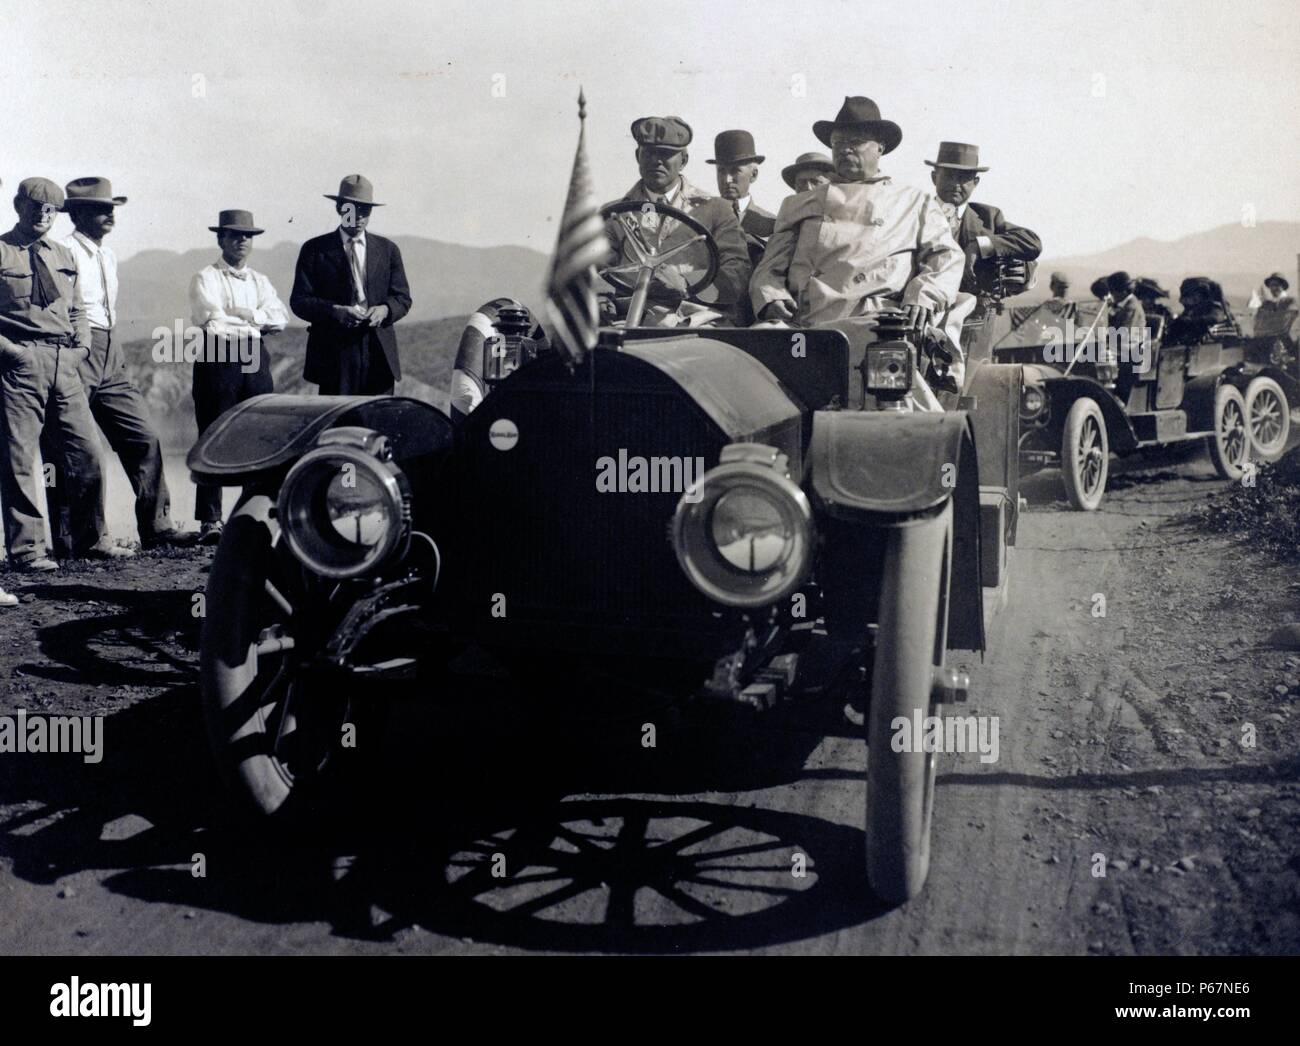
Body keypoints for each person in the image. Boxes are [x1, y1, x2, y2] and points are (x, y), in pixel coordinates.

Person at [750, 96, 963, 403]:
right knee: (749, 368)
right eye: (838, 143)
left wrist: (924, 293)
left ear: (881, 147)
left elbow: (947, 257)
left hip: (875, 325)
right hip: (804, 325)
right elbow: (770, 268)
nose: (845, 150)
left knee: (898, 406)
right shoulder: (799, 204)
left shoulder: (913, 202)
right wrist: (771, 297)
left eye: (856, 142)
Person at [42, 177, 191, 559]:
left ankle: (157, 528)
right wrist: (74, 348)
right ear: (77, 213)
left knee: (143, 438)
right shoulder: (63, 251)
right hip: (77, 347)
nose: (110, 214)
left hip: (112, 350)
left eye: (112, 208)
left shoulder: (107, 256)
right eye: (100, 208)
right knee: (73, 450)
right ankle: (79, 542)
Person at [0, 178, 102, 572]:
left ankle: (92, 541)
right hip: (20, 364)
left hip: (65, 362)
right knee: (20, 458)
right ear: (17, 205)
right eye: (35, 207)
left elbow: (78, 309)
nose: (43, 215)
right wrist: (13, 353)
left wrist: (82, 349)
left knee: (87, 452)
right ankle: (28, 551)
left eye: (51, 210)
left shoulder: (63, 254)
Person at [188, 209, 288, 544]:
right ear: (221, 239)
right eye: (234, 235)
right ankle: (210, 521)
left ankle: (253, 515)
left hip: (255, 359)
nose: (241, 241)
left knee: (259, 432)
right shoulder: (205, 277)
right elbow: (213, 322)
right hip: (218, 357)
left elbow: (280, 318)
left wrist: (248, 315)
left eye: (247, 236)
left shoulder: (260, 281)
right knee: (214, 432)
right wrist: (257, 320)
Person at [602, 116, 750, 325]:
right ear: (638, 156)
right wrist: (601, 298)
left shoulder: (717, 210)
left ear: (684, 160)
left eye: (666, 154)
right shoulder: (613, 215)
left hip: (696, 317)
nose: (657, 161)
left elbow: (736, 273)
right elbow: (593, 269)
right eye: (649, 153)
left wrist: (687, 283)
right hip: (626, 316)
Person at [290, 175, 413, 395]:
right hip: (335, 355)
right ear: (339, 208)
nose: (357, 216)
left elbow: (402, 298)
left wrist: (385, 309)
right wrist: (334, 311)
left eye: (364, 210)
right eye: (351, 209)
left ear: (371, 213)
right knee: (340, 424)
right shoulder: (314, 250)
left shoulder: (388, 250)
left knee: (376, 422)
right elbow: (299, 301)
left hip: (378, 352)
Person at [926, 141, 1041, 362]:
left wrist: (981, 245)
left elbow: (1032, 242)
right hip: (923, 320)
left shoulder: (988, 217)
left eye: (964, 178)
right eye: (949, 176)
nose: (956, 184)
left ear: (975, 183)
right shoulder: (916, 212)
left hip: (973, 327)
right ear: (934, 177)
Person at [1106, 271, 1146, 403]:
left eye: (1112, 291)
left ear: (1122, 291)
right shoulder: (1124, 306)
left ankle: (1120, 401)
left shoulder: (1131, 307)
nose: (1111, 295)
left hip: (1132, 352)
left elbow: (1123, 334)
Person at [1166, 277, 1233, 345]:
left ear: (1199, 295)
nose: (1182, 300)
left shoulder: (1214, 307)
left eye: (1188, 295)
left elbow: (1215, 318)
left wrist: (1190, 320)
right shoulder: (1194, 309)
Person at [1250, 271, 1295, 339]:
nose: (1273, 288)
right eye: (1271, 286)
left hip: (1282, 340)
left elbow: (1286, 322)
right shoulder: (1266, 304)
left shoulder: (1290, 302)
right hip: (1265, 339)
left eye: (1276, 285)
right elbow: (1258, 323)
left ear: (1283, 286)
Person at [1133, 277, 1173, 342]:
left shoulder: (1163, 311)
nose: (1147, 300)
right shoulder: (1137, 310)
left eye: (1150, 297)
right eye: (1144, 297)